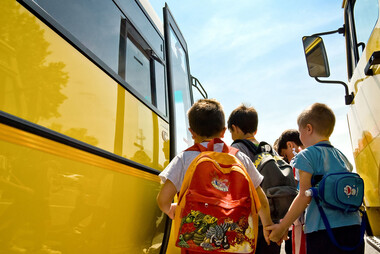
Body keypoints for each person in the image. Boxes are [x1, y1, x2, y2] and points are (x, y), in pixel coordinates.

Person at [156, 99, 273, 253]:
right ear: (224, 131)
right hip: (233, 243)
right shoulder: (240, 157)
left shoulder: (184, 158)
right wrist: (267, 226)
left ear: (192, 132)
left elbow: (163, 199)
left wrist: (171, 209)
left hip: (196, 247)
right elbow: (261, 202)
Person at [267, 103, 364, 254]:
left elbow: (303, 196)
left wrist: (282, 227)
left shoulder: (306, 156)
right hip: (354, 228)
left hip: (323, 232)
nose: (300, 137)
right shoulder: (341, 156)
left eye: (300, 132)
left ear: (309, 129)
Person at [227, 104, 281, 254]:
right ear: (255, 130)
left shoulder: (236, 150)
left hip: (249, 224)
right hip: (273, 220)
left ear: (235, 128)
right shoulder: (270, 149)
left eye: (231, 131)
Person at [276, 129, 306, 254]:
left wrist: (281, 228)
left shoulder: (297, 162)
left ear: (290, 145)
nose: (287, 160)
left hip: (301, 225)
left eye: (285, 154)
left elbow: (301, 196)